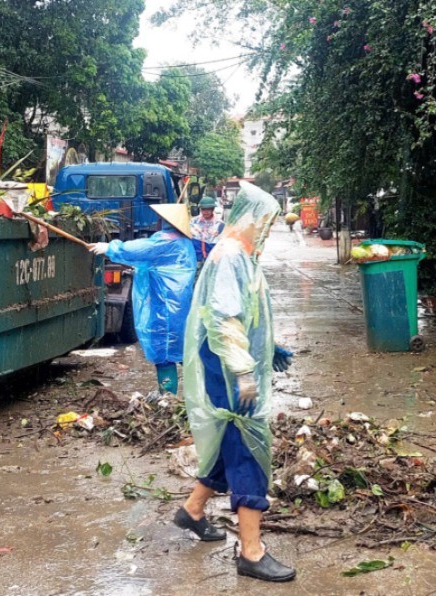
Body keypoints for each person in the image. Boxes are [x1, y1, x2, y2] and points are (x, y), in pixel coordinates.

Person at [175, 180, 296, 583]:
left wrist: (269, 346)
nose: (268, 229)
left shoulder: (243, 256)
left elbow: (246, 314)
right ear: (249, 218)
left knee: (232, 442)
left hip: (232, 362)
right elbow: (224, 318)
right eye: (265, 221)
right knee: (248, 447)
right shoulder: (229, 256)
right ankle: (251, 551)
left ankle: (192, 510)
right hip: (227, 369)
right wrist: (244, 369)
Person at [89, 204, 196, 395]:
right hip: (175, 305)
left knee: (165, 351)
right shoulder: (182, 242)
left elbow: (140, 250)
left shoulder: (166, 242)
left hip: (165, 307)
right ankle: (195, 395)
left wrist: (112, 247)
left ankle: (168, 397)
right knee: (180, 352)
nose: (157, 221)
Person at [191, 196, 226, 262]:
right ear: (200, 210)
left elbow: (221, 242)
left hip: (212, 257)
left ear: (213, 209)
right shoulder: (194, 222)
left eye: (208, 209)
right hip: (197, 256)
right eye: (203, 209)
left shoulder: (219, 224)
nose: (206, 212)